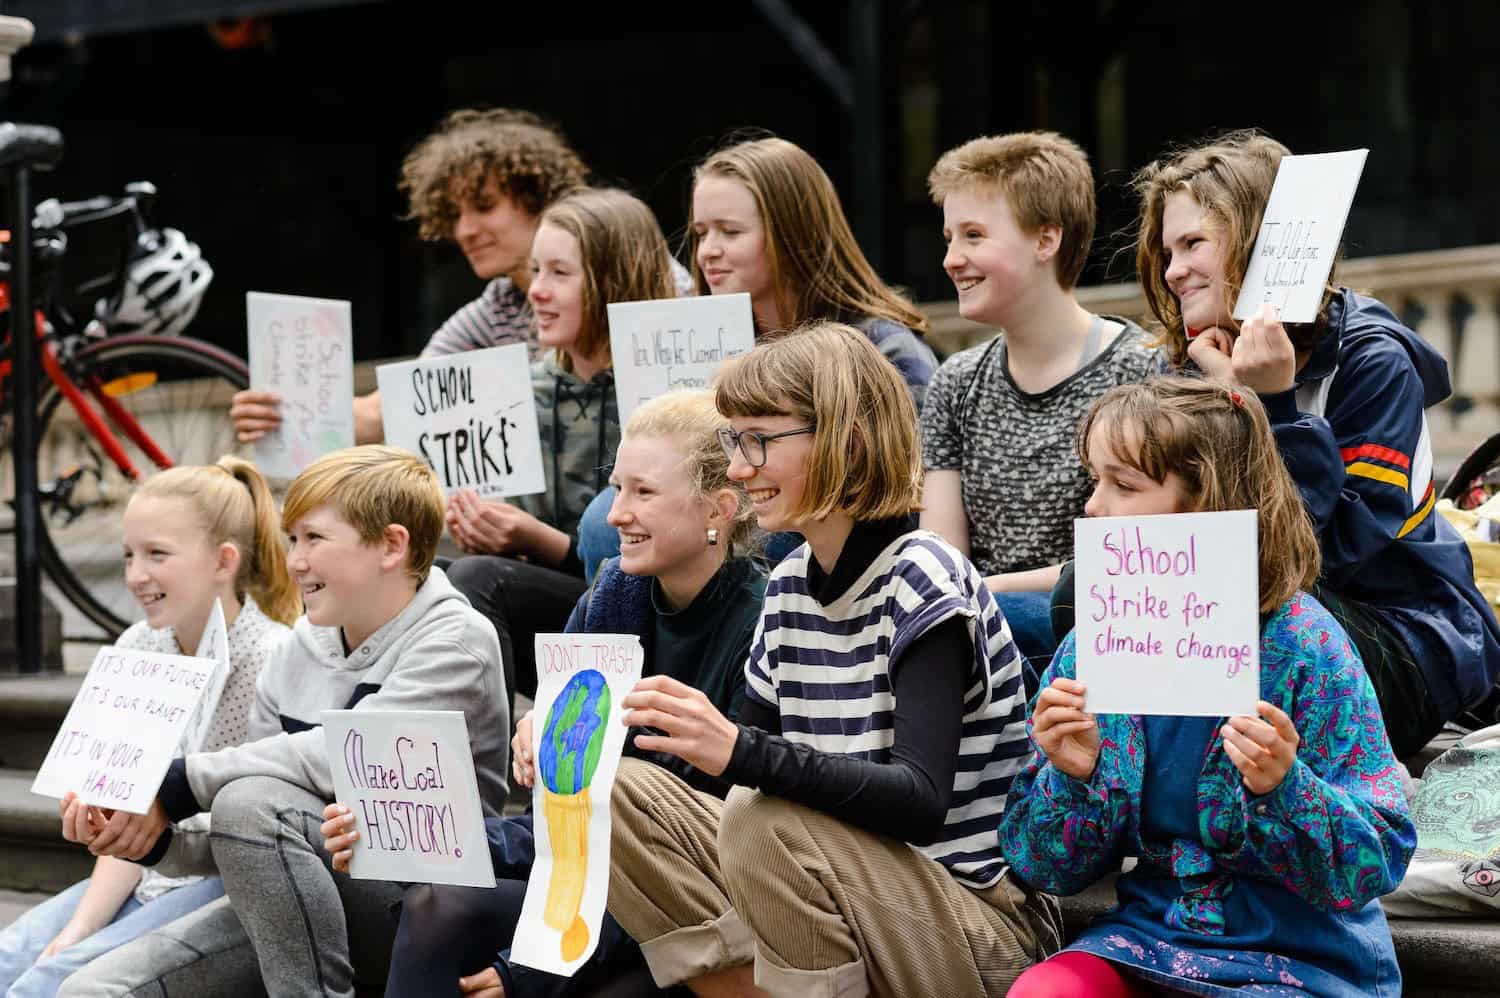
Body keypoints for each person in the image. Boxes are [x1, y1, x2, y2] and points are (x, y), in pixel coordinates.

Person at [605, 323, 1061, 998]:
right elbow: (736, 785)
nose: (738, 468)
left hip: (972, 921)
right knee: (616, 794)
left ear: (844, 442)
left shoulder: (923, 577)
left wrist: (738, 751)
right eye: (734, 441)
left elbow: (920, 800)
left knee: (763, 823)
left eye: (758, 440)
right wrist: (581, 744)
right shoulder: (789, 584)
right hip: (841, 890)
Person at [321, 390, 768, 998]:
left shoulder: (760, 625)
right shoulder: (615, 594)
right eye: (616, 488)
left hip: (704, 912)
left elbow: (711, 872)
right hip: (590, 881)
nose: (615, 514)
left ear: (719, 508)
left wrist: (530, 971)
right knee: (437, 903)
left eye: (643, 492)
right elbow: (558, 827)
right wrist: (395, 834)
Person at [1003, 377, 1416, 997]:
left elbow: (1379, 858)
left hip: (1303, 956)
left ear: (1204, 502)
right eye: (1094, 480)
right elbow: (1042, 867)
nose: (1093, 506)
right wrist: (1073, 775)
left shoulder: (1307, 647)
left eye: (1123, 485)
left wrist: (1286, 787)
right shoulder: (1093, 649)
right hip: (1150, 937)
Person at [59, 446, 508, 998]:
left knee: (250, 802)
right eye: (292, 538)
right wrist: (152, 839)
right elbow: (243, 841)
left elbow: (341, 757)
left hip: (423, 908)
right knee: (91, 991)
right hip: (296, 901)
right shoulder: (297, 649)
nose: (294, 561)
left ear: (392, 545)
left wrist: (179, 783)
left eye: (314, 538)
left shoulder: (456, 640)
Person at [1131, 129, 1500, 757]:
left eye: (1193, 244)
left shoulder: (1374, 362)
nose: (1173, 271)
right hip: (1259, 617)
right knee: (1079, 603)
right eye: (1168, 251)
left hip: (1404, 639)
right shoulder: (1195, 363)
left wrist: (1266, 405)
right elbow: (1164, 542)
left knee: (1257, 605)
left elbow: (1325, 553)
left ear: (1260, 242)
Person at [577, 134, 938, 580]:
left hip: (831, 540)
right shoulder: (697, 338)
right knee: (606, 520)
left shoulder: (884, 348)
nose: (708, 251)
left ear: (793, 233)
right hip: (710, 509)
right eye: (700, 233)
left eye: (730, 232)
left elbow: (907, 488)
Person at [0, 458, 296, 998]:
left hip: (221, 886)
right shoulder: (136, 647)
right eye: (128, 555)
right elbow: (123, 820)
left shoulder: (274, 657)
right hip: (144, 875)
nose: (135, 575)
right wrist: (79, 928)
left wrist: (75, 950)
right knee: (12, 958)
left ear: (223, 561)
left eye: (157, 554)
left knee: (48, 984)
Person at [228, 108, 692, 447]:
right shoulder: (493, 311)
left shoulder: (650, 278)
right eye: (454, 214)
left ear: (539, 197)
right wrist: (285, 414)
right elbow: (400, 404)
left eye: (484, 207)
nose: (464, 230)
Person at [918, 132, 1159, 695]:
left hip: (1104, 633)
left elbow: (1139, 558)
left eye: (974, 235)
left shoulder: (1141, 370)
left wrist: (987, 593)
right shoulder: (955, 381)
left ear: (1046, 239)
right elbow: (941, 562)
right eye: (950, 238)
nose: (952, 259)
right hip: (978, 641)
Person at [442, 187, 677, 710]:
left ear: (614, 280)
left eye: (559, 273)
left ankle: (491, 759)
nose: (537, 292)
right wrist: (484, 526)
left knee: (477, 578)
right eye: (535, 272)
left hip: (651, 615)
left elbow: (649, 560)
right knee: (427, 579)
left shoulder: (669, 392)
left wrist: (540, 540)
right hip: (558, 611)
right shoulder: (519, 389)